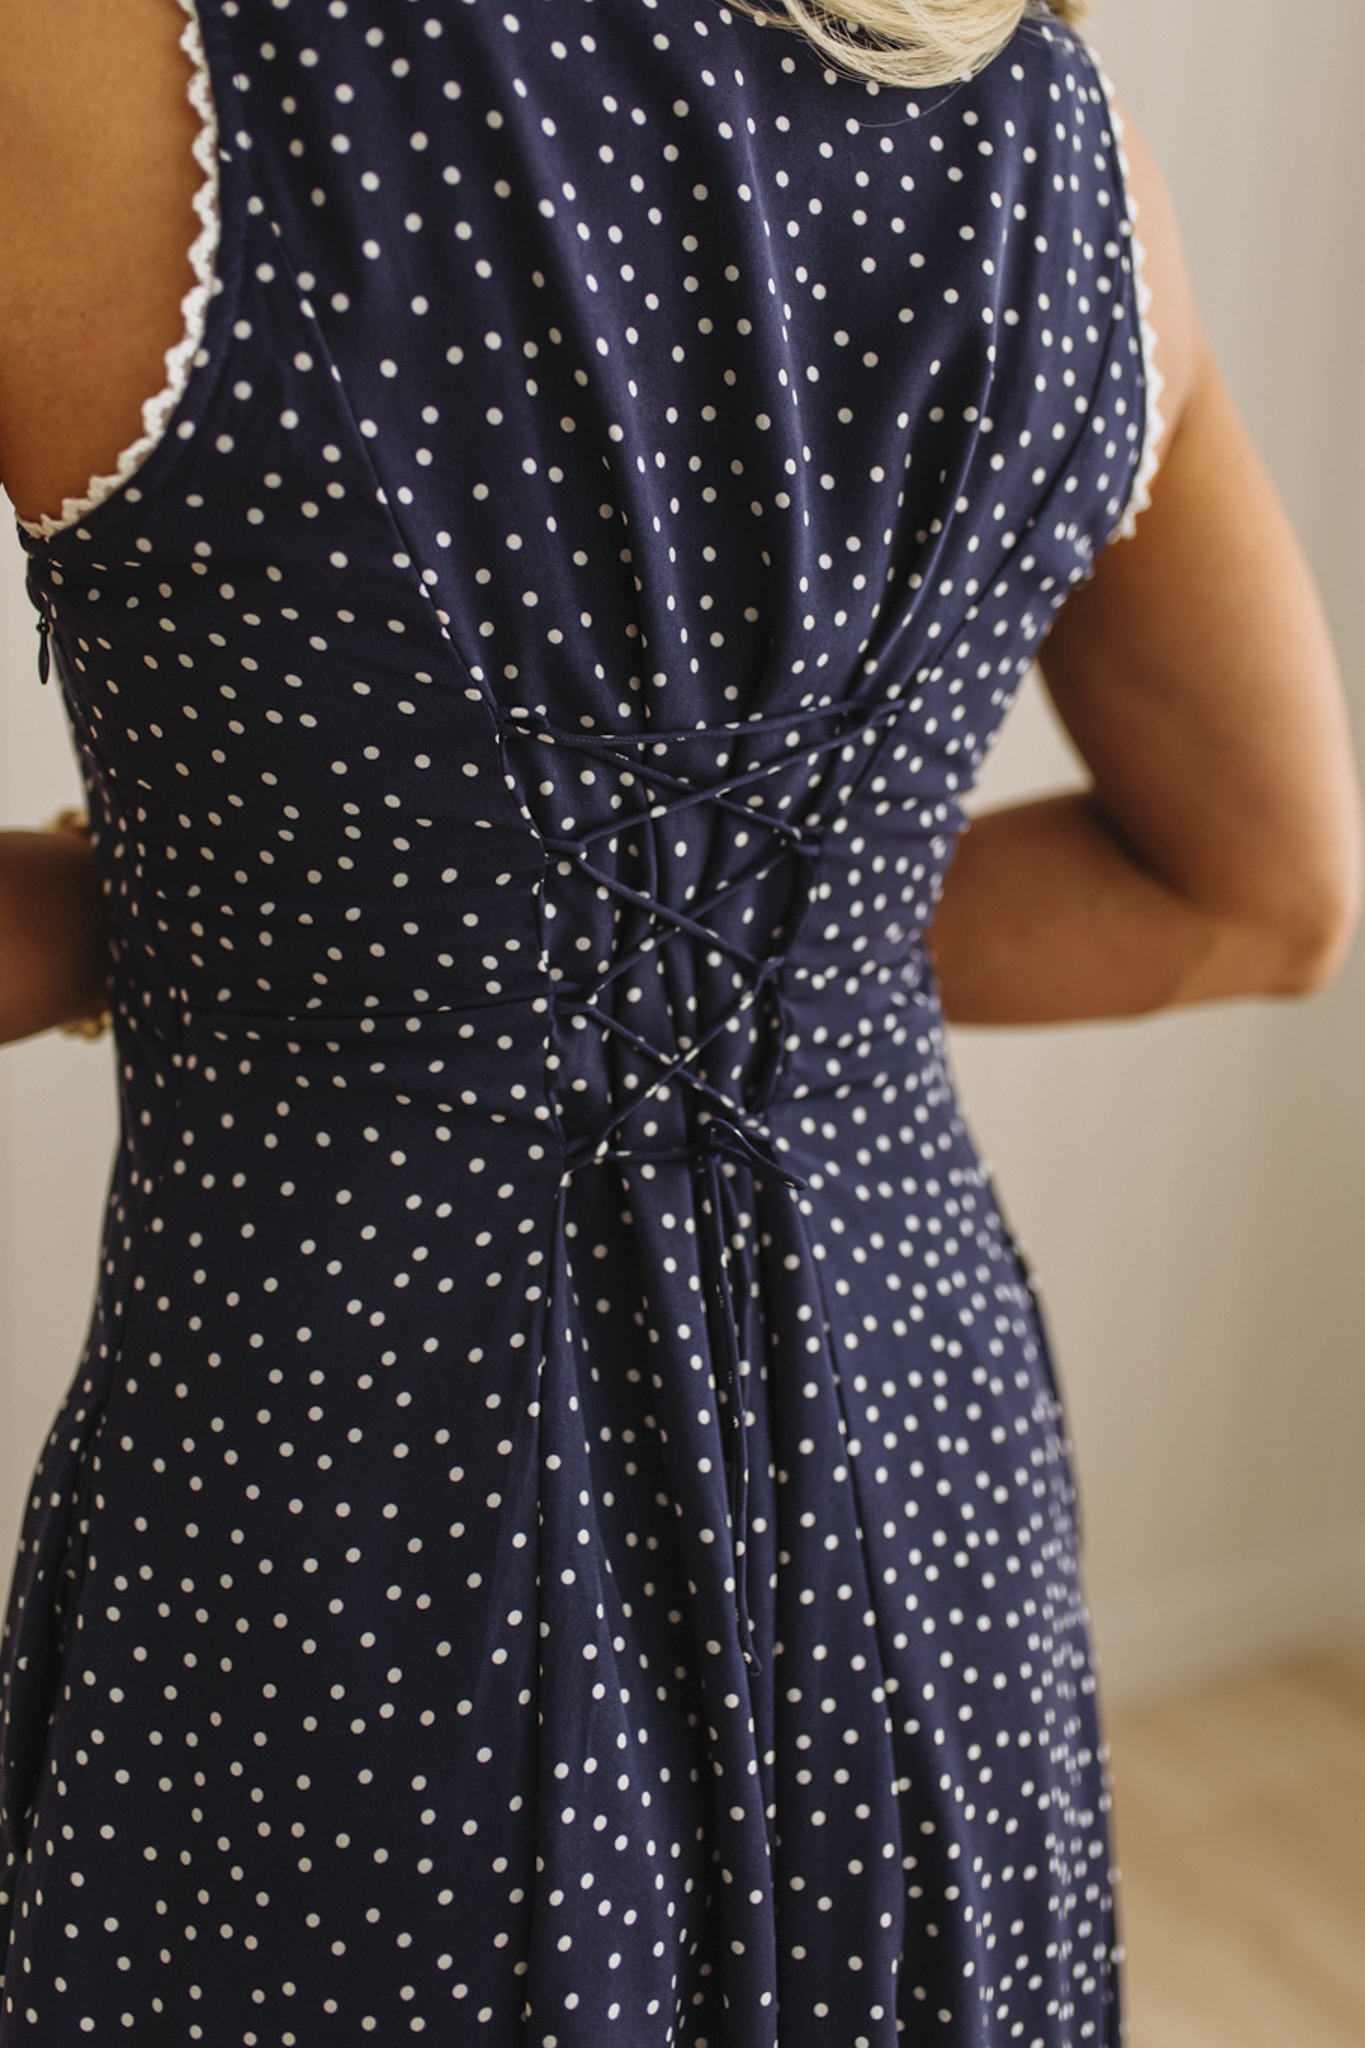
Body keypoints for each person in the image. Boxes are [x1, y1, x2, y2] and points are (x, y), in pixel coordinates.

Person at [0, 0, 1357, 2040]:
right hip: (920, 1499)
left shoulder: (110, 69)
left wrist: (231, 912)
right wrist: (756, 960)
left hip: (347, 1530)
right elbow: (1261, 892)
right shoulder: (1046, 135)